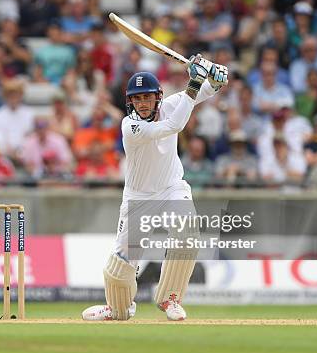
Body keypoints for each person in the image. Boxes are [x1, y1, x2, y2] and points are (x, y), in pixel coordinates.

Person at [81, 54, 228, 321]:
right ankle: (118, 309)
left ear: (157, 97)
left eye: (147, 97)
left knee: (187, 233)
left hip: (172, 187)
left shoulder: (172, 104)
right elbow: (175, 126)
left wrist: (216, 81)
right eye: (137, 99)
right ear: (130, 102)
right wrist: (196, 80)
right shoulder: (130, 126)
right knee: (121, 264)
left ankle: (170, 299)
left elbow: (199, 94)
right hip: (138, 197)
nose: (142, 103)